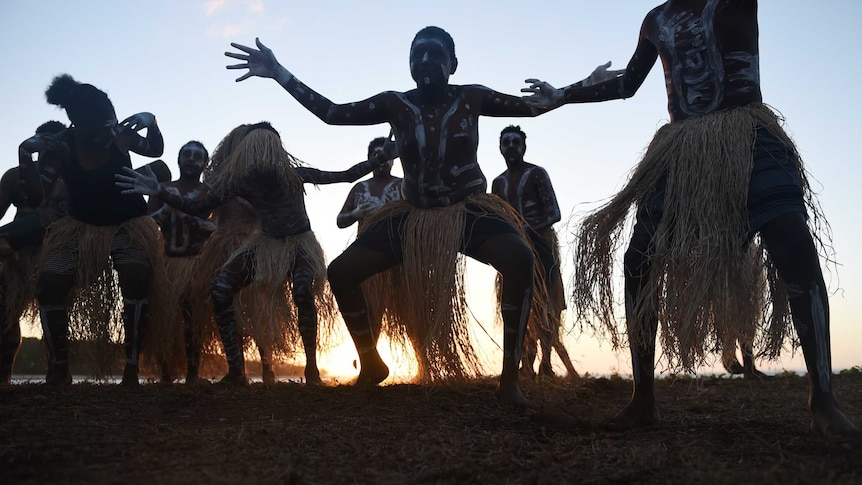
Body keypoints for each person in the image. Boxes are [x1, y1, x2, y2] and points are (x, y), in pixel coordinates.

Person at [523, 0, 858, 438]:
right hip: (681, 151)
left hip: (749, 137)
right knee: (639, 258)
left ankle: (824, 399)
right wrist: (564, 94)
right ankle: (643, 399)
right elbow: (626, 83)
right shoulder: (655, 20)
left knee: (794, 248)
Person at [224, 26, 555, 404]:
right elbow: (332, 113)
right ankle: (371, 363)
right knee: (342, 272)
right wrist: (279, 73)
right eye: (418, 54)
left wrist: (568, 93)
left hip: (468, 211)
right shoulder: (394, 104)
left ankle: (510, 379)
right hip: (411, 216)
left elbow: (536, 105)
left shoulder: (471, 97)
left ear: (453, 64)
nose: (426, 60)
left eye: (435, 54)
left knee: (520, 257)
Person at [116, 121, 393, 385]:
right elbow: (197, 207)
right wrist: (158, 192)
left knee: (302, 291)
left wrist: (376, 161)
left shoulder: (296, 175)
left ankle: (311, 368)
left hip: (299, 244)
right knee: (221, 289)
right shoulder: (242, 182)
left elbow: (344, 176)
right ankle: (236, 372)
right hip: (264, 243)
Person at [23, 74, 170, 386]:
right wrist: (25, 155)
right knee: (48, 286)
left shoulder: (120, 134)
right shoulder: (61, 146)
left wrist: (152, 121)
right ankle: (59, 367)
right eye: (99, 127)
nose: (107, 132)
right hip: (80, 226)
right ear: (78, 125)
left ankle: (131, 368)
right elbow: (37, 197)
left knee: (136, 278)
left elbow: (155, 149)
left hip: (128, 224)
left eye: (110, 123)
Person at [491, 125, 577, 379]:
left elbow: (554, 213)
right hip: (513, 249)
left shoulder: (537, 174)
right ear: (500, 148)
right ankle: (524, 363)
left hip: (542, 245)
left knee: (547, 305)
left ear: (524, 146)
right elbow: (497, 216)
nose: (511, 147)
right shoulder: (498, 183)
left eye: (515, 142)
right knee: (517, 304)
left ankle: (546, 364)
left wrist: (528, 229)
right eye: (506, 143)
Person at [0, 120, 66, 383]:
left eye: (56, 142)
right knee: (6, 314)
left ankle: (58, 372)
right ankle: (4, 378)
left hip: (56, 251)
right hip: (15, 252)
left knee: (55, 313)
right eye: (45, 141)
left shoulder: (72, 179)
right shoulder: (16, 176)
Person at [148, 141, 216, 382]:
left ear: (204, 163)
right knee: (165, 320)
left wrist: (193, 220)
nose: (191, 159)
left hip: (196, 265)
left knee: (193, 317)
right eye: (186, 155)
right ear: (178, 160)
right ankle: (166, 372)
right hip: (167, 263)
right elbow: (148, 220)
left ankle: (192, 374)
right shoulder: (162, 188)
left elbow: (216, 227)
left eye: (197, 156)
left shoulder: (209, 193)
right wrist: (166, 213)